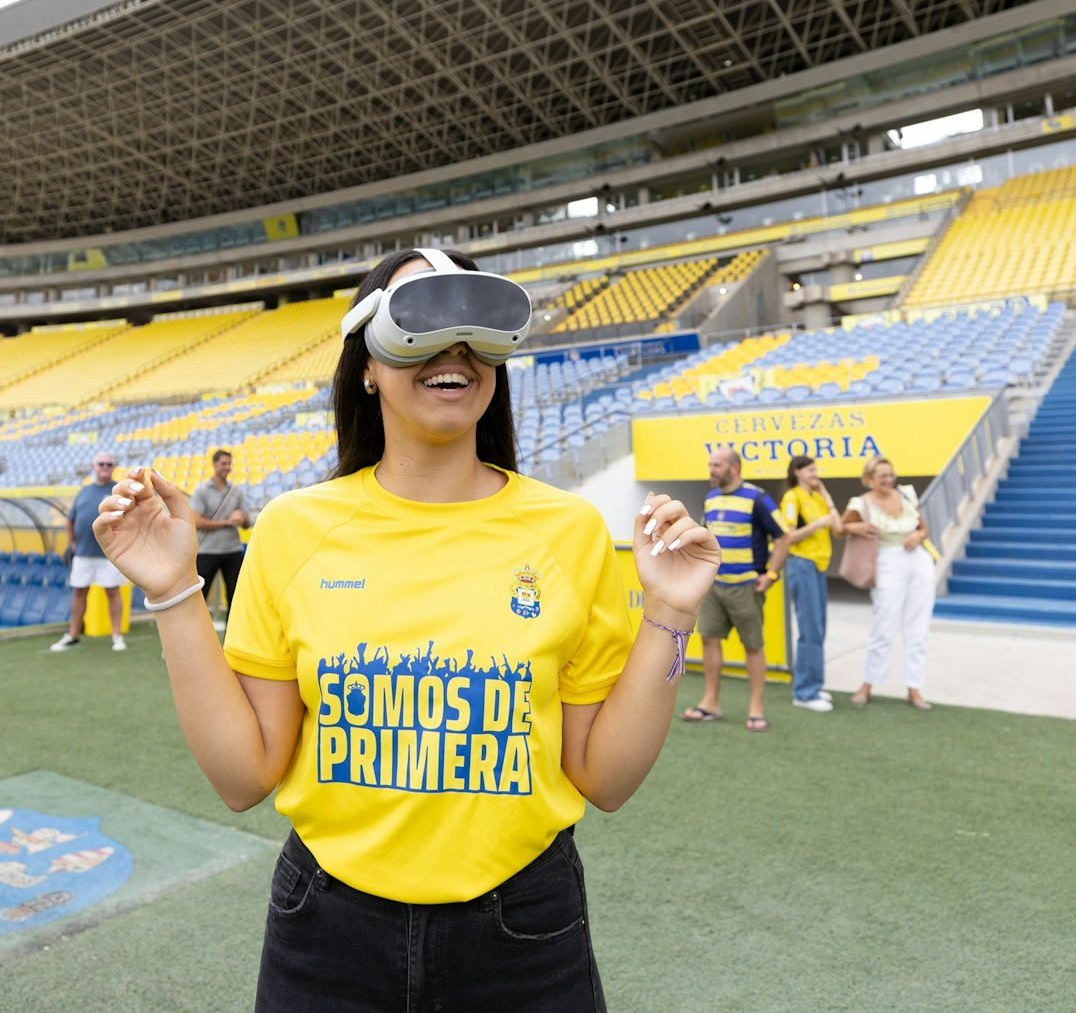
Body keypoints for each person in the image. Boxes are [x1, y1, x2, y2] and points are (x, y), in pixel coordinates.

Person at [92, 246, 720, 1011]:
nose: (454, 347)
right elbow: (242, 776)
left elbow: (606, 780)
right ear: (367, 362)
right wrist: (173, 593)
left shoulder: (569, 531)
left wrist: (671, 613)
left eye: (475, 324)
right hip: (328, 931)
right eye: (421, 317)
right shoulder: (295, 529)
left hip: (524, 929)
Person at [684, 445, 789, 732]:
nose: (711, 471)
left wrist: (771, 574)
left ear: (735, 468)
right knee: (708, 640)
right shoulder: (711, 499)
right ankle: (710, 702)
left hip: (746, 587)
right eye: (710, 465)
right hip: (715, 585)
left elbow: (783, 538)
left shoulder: (758, 498)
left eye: (717, 465)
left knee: (753, 646)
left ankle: (756, 709)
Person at [841, 456, 937, 710]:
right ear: (869, 478)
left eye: (890, 474)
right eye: (881, 475)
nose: (887, 479)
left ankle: (914, 688)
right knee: (884, 624)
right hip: (886, 560)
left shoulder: (906, 495)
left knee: (918, 627)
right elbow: (840, 528)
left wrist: (918, 535)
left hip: (918, 560)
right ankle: (868, 684)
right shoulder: (861, 503)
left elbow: (924, 528)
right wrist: (858, 527)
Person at [779, 456, 842, 712]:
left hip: (818, 566)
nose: (816, 473)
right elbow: (789, 535)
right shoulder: (792, 498)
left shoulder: (817, 498)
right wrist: (818, 524)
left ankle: (812, 685)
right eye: (811, 469)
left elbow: (837, 528)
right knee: (810, 628)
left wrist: (826, 494)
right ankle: (804, 692)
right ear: (797, 472)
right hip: (802, 564)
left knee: (818, 628)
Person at [51, 453, 127, 652]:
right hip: (83, 553)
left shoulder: (118, 490)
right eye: (101, 464)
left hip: (108, 554)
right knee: (79, 592)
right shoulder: (84, 491)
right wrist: (72, 542)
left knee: (113, 592)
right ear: (94, 466)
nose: (105, 467)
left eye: (109, 464)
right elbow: (71, 519)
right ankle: (73, 634)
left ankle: (117, 635)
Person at [190, 447, 250, 611]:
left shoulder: (236, 491)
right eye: (223, 463)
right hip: (207, 551)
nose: (226, 467)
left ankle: (233, 635)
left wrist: (242, 518)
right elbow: (196, 521)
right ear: (214, 464)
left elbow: (246, 522)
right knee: (200, 596)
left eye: (229, 463)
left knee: (236, 597)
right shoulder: (202, 490)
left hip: (233, 550)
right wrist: (228, 522)